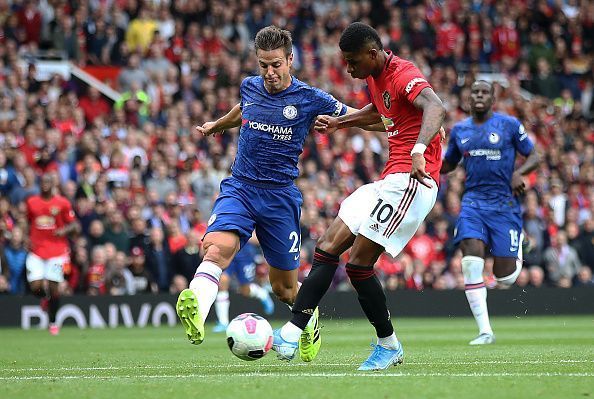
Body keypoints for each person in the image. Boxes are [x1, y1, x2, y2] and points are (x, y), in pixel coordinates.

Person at [175, 26, 381, 352]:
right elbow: (243, 109)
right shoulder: (250, 86)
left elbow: (361, 117)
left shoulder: (311, 98)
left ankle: (307, 318)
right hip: (240, 187)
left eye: (275, 65)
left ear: (289, 60)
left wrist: (398, 124)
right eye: (263, 65)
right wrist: (217, 125)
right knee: (215, 249)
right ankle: (198, 309)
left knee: (284, 289)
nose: (269, 73)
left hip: (280, 197)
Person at [273, 22, 446, 370]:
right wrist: (342, 122)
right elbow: (381, 113)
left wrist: (418, 150)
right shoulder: (376, 77)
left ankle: (388, 345)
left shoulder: (402, 73)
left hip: (414, 181)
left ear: (372, 53)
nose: (349, 69)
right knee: (327, 245)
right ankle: (294, 329)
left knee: (358, 265)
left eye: (352, 62)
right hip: (389, 180)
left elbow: (436, 107)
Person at [440, 80, 540, 345]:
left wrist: (520, 172)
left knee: (505, 278)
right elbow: (448, 163)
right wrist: (426, 162)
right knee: (470, 259)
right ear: (469, 98)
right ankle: (485, 331)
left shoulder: (508, 125)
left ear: (493, 99)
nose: (480, 96)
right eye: (475, 92)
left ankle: (518, 246)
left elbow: (535, 156)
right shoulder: (460, 130)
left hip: (504, 205)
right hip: (473, 202)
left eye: (485, 92)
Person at [25, 173, 79, 335]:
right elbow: (27, 222)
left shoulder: (62, 203)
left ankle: (53, 322)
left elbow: (74, 225)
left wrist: (65, 229)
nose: (45, 184)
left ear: (54, 184)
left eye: (48, 181)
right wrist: (26, 237)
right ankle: (44, 299)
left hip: (57, 251)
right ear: (39, 184)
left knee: (55, 289)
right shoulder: (32, 202)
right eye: (43, 182)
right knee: (35, 287)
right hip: (36, 251)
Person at [212, 237, 275, 333]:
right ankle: (223, 322)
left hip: (245, 254)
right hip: (227, 252)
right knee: (222, 281)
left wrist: (242, 235)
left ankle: (262, 294)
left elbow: (258, 237)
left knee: (245, 290)